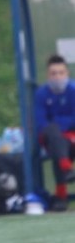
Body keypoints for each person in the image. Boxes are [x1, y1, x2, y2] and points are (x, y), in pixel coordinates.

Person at [34, 53, 75, 212]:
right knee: (53, 133)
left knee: (60, 142)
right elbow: (41, 122)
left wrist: (59, 125)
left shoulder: (73, 90)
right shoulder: (41, 94)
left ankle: (61, 196)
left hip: (70, 137)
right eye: (53, 73)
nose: (57, 77)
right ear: (47, 75)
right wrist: (57, 129)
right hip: (50, 138)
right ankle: (66, 169)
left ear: (67, 73)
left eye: (61, 73)